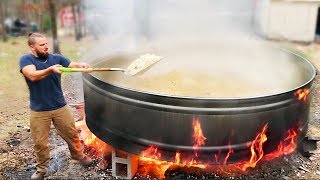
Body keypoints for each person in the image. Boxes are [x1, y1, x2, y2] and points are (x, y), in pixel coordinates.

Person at [19, 32, 93, 180]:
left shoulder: (56, 58)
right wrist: (50, 70)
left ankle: (79, 156)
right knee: (40, 142)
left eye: (46, 43)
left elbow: (72, 65)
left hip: (60, 106)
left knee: (72, 134)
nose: (46, 47)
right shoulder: (26, 59)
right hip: (39, 109)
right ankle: (41, 169)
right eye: (42, 45)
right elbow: (32, 75)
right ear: (32, 47)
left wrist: (81, 65)